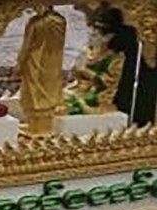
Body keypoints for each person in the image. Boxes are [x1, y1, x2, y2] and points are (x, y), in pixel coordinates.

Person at [17, 8, 67, 136]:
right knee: (50, 88)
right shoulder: (61, 21)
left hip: (35, 61)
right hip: (53, 62)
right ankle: (42, 126)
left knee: (33, 90)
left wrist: (20, 64)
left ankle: (36, 127)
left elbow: (27, 46)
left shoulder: (35, 23)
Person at [65, 15, 125, 115]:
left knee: (68, 101)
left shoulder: (114, 59)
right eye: (89, 35)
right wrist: (76, 70)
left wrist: (85, 71)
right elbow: (75, 76)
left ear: (107, 37)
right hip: (79, 88)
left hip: (96, 94)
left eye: (94, 35)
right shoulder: (87, 52)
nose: (90, 39)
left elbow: (108, 82)